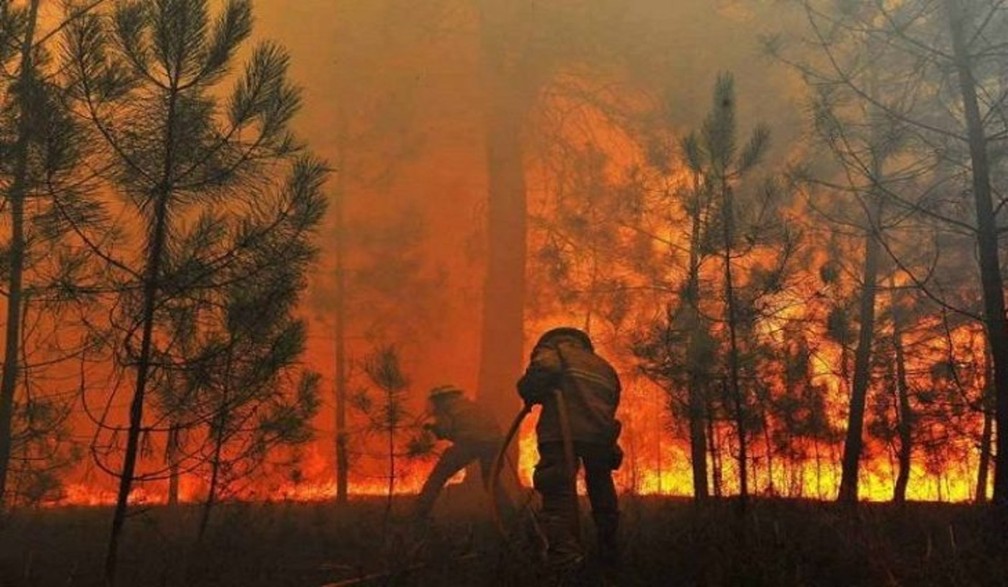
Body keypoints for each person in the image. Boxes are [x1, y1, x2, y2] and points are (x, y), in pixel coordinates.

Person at [517, 326, 622, 574]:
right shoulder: (604, 366)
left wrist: (528, 391)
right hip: (600, 436)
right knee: (602, 492)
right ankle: (609, 553)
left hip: (561, 432)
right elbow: (612, 402)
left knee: (557, 491)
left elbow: (543, 371)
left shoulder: (553, 350)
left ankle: (565, 563)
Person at [414, 384, 508, 521]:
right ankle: (509, 515)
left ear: (441, 398)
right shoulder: (473, 406)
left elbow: (446, 432)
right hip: (494, 445)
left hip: (469, 443)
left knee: (439, 475)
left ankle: (419, 513)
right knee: (492, 482)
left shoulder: (448, 409)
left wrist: (432, 428)